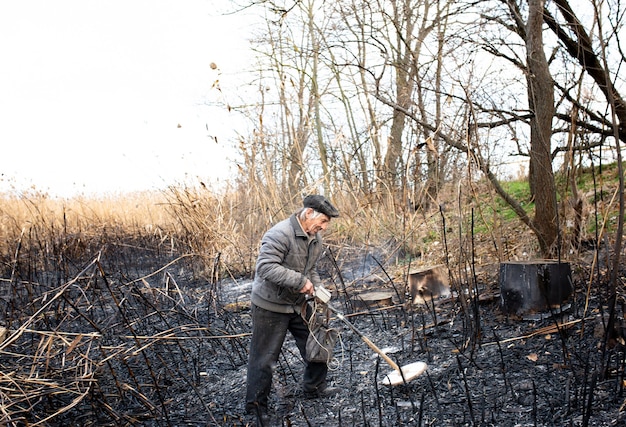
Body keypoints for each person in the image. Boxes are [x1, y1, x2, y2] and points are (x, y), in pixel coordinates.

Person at [245, 195, 340, 422]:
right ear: (308, 213)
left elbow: (311, 269)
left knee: (317, 343)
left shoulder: (315, 239)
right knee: (264, 358)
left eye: (327, 223)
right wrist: (300, 282)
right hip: (270, 305)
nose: (324, 227)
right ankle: (255, 407)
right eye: (323, 221)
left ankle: (314, 387)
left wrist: (317, 290)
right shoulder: (279, 233)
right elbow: (266, 267)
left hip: (297, 303)